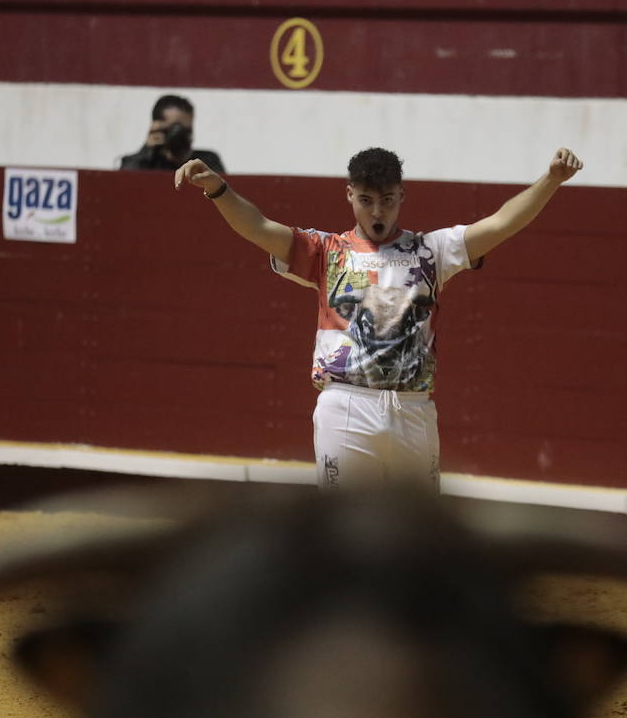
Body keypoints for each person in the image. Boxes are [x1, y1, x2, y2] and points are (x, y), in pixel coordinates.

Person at [175, 145, 583, 491]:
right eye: (367, 200)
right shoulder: (326, 251)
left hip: (414, 407)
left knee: (421, 538)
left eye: (387, 199)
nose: (377, 211)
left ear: (402, 196)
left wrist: (550, 180)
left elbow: (501, 223)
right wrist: (218, 189)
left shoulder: (432, 251)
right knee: (343, 534)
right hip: (347, 405)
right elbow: (259, 227)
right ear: (349, 195)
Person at [119, 94, 224, 173]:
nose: (184, 136)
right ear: (158, 127)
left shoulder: (207, 162)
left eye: (187, 130)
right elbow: (124, 186)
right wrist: (146, 153)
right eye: (176, 129)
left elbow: (225, 195)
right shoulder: (142, 163)